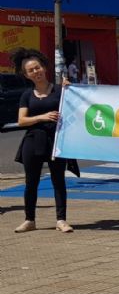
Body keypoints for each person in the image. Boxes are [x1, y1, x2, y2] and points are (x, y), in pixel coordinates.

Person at [11, 48, 72, 233]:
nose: (35, 72)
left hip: (56, 140)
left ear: (44, 67)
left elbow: (75, 108)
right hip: (33, 141)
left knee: (58, 180)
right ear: (26, 75)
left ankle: (61, 220)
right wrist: (42, 117)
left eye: (37, 67)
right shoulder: (27, 95)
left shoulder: (61, 90)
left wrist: (71, 89)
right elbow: (22, 121)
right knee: (31, 182)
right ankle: (29, 220)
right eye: (31, 70)